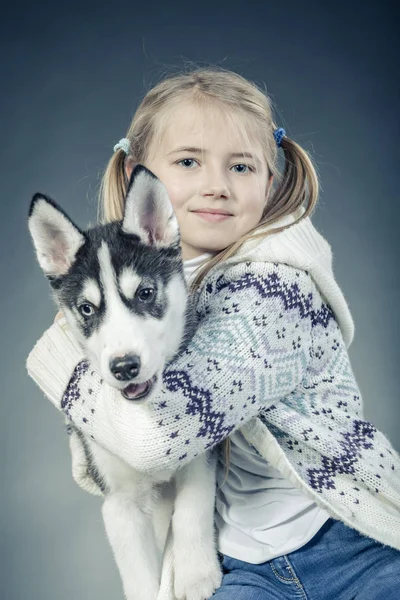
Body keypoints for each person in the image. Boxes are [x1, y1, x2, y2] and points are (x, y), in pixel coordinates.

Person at [27, 67, 400, 599]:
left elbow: (158, 441)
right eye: (188, 161)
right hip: (245, 565)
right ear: (140, 176)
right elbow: (102, 471)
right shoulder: (166, 285)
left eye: (242, 166)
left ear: (269, 183)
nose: (216, 186)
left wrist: (67, 359)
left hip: (350, 544)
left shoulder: (273, 290)